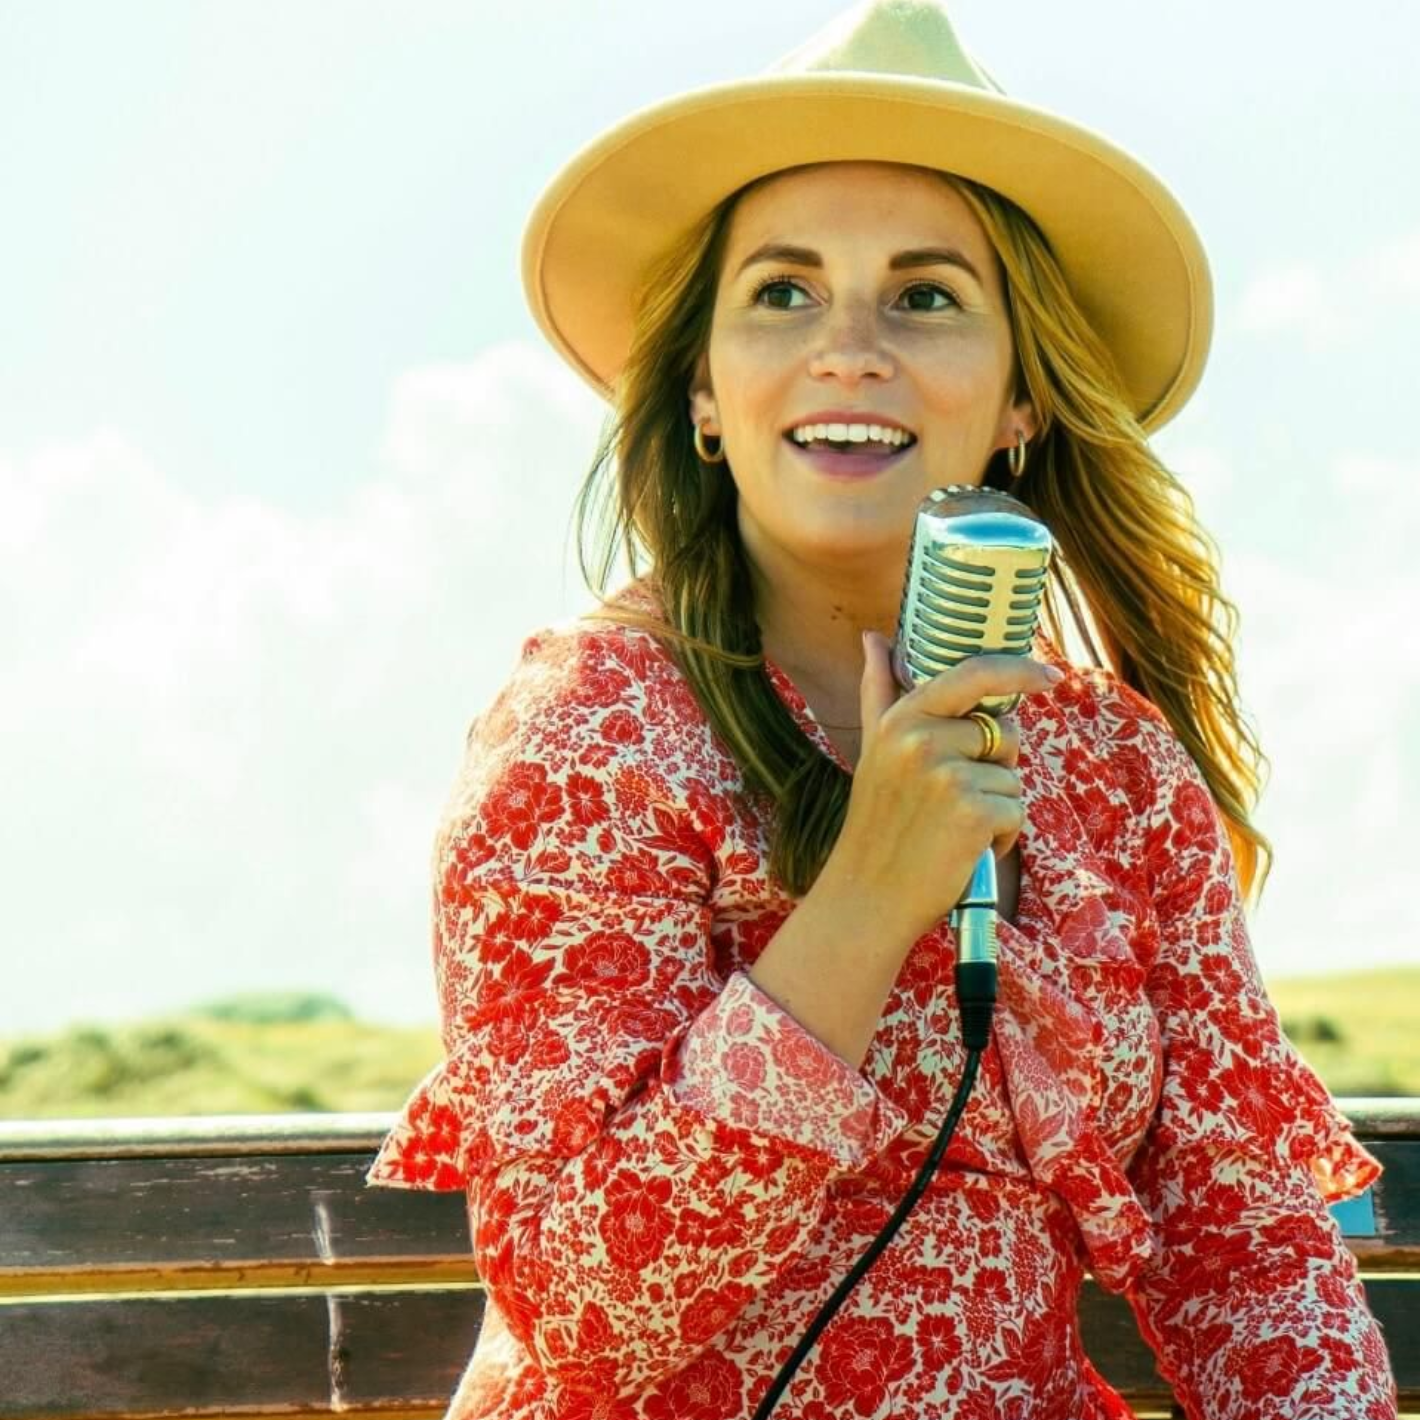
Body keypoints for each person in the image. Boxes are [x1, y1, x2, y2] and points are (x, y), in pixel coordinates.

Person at [365, 2, 1400, 1416]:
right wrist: (861, 905)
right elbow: (585, 1306)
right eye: (782, 294)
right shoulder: (588, 734)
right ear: (705, 395)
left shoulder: (1114, 769)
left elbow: (1249, 1247)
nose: (848, 346)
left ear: (1022, 397)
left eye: (924, 296)